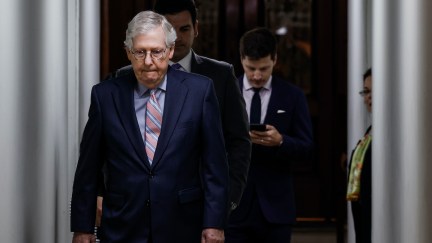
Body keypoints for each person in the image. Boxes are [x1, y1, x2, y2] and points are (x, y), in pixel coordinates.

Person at [71, 11, 229, 243]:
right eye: (139, 52)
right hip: (123, 225)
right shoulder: (105, 96)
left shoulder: (200, 91)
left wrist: (214, 223)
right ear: (128, 52)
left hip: (182, 223)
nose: (148, 61)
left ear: (170, 50)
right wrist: (83, 227)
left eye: (156, 52)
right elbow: (88, 167)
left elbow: (215, 165)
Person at [102, 0, 251, 213]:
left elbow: (239, 141)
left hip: (200, 205)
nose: (178, 38)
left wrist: (228, 199)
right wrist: (108, 193)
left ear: (196, 29)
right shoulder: (124, 76)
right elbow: (107, 144)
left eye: (185, 29)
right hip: (136, 206)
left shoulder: (221, 76)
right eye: (171, 30)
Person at [225, 27, 313, 243]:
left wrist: (281, 141)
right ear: (241, 60)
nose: (257, 76)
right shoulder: (223, 92)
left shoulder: (293, 96)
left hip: (276, 208)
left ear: (275, 59)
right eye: (250, 68)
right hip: (233, 207)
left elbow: (307, 148)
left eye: (264, 68)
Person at [346, 68, 372, 243]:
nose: (368, 97)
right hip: (363, 211)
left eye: (373, 91)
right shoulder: (370, 130)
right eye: (366, 91)